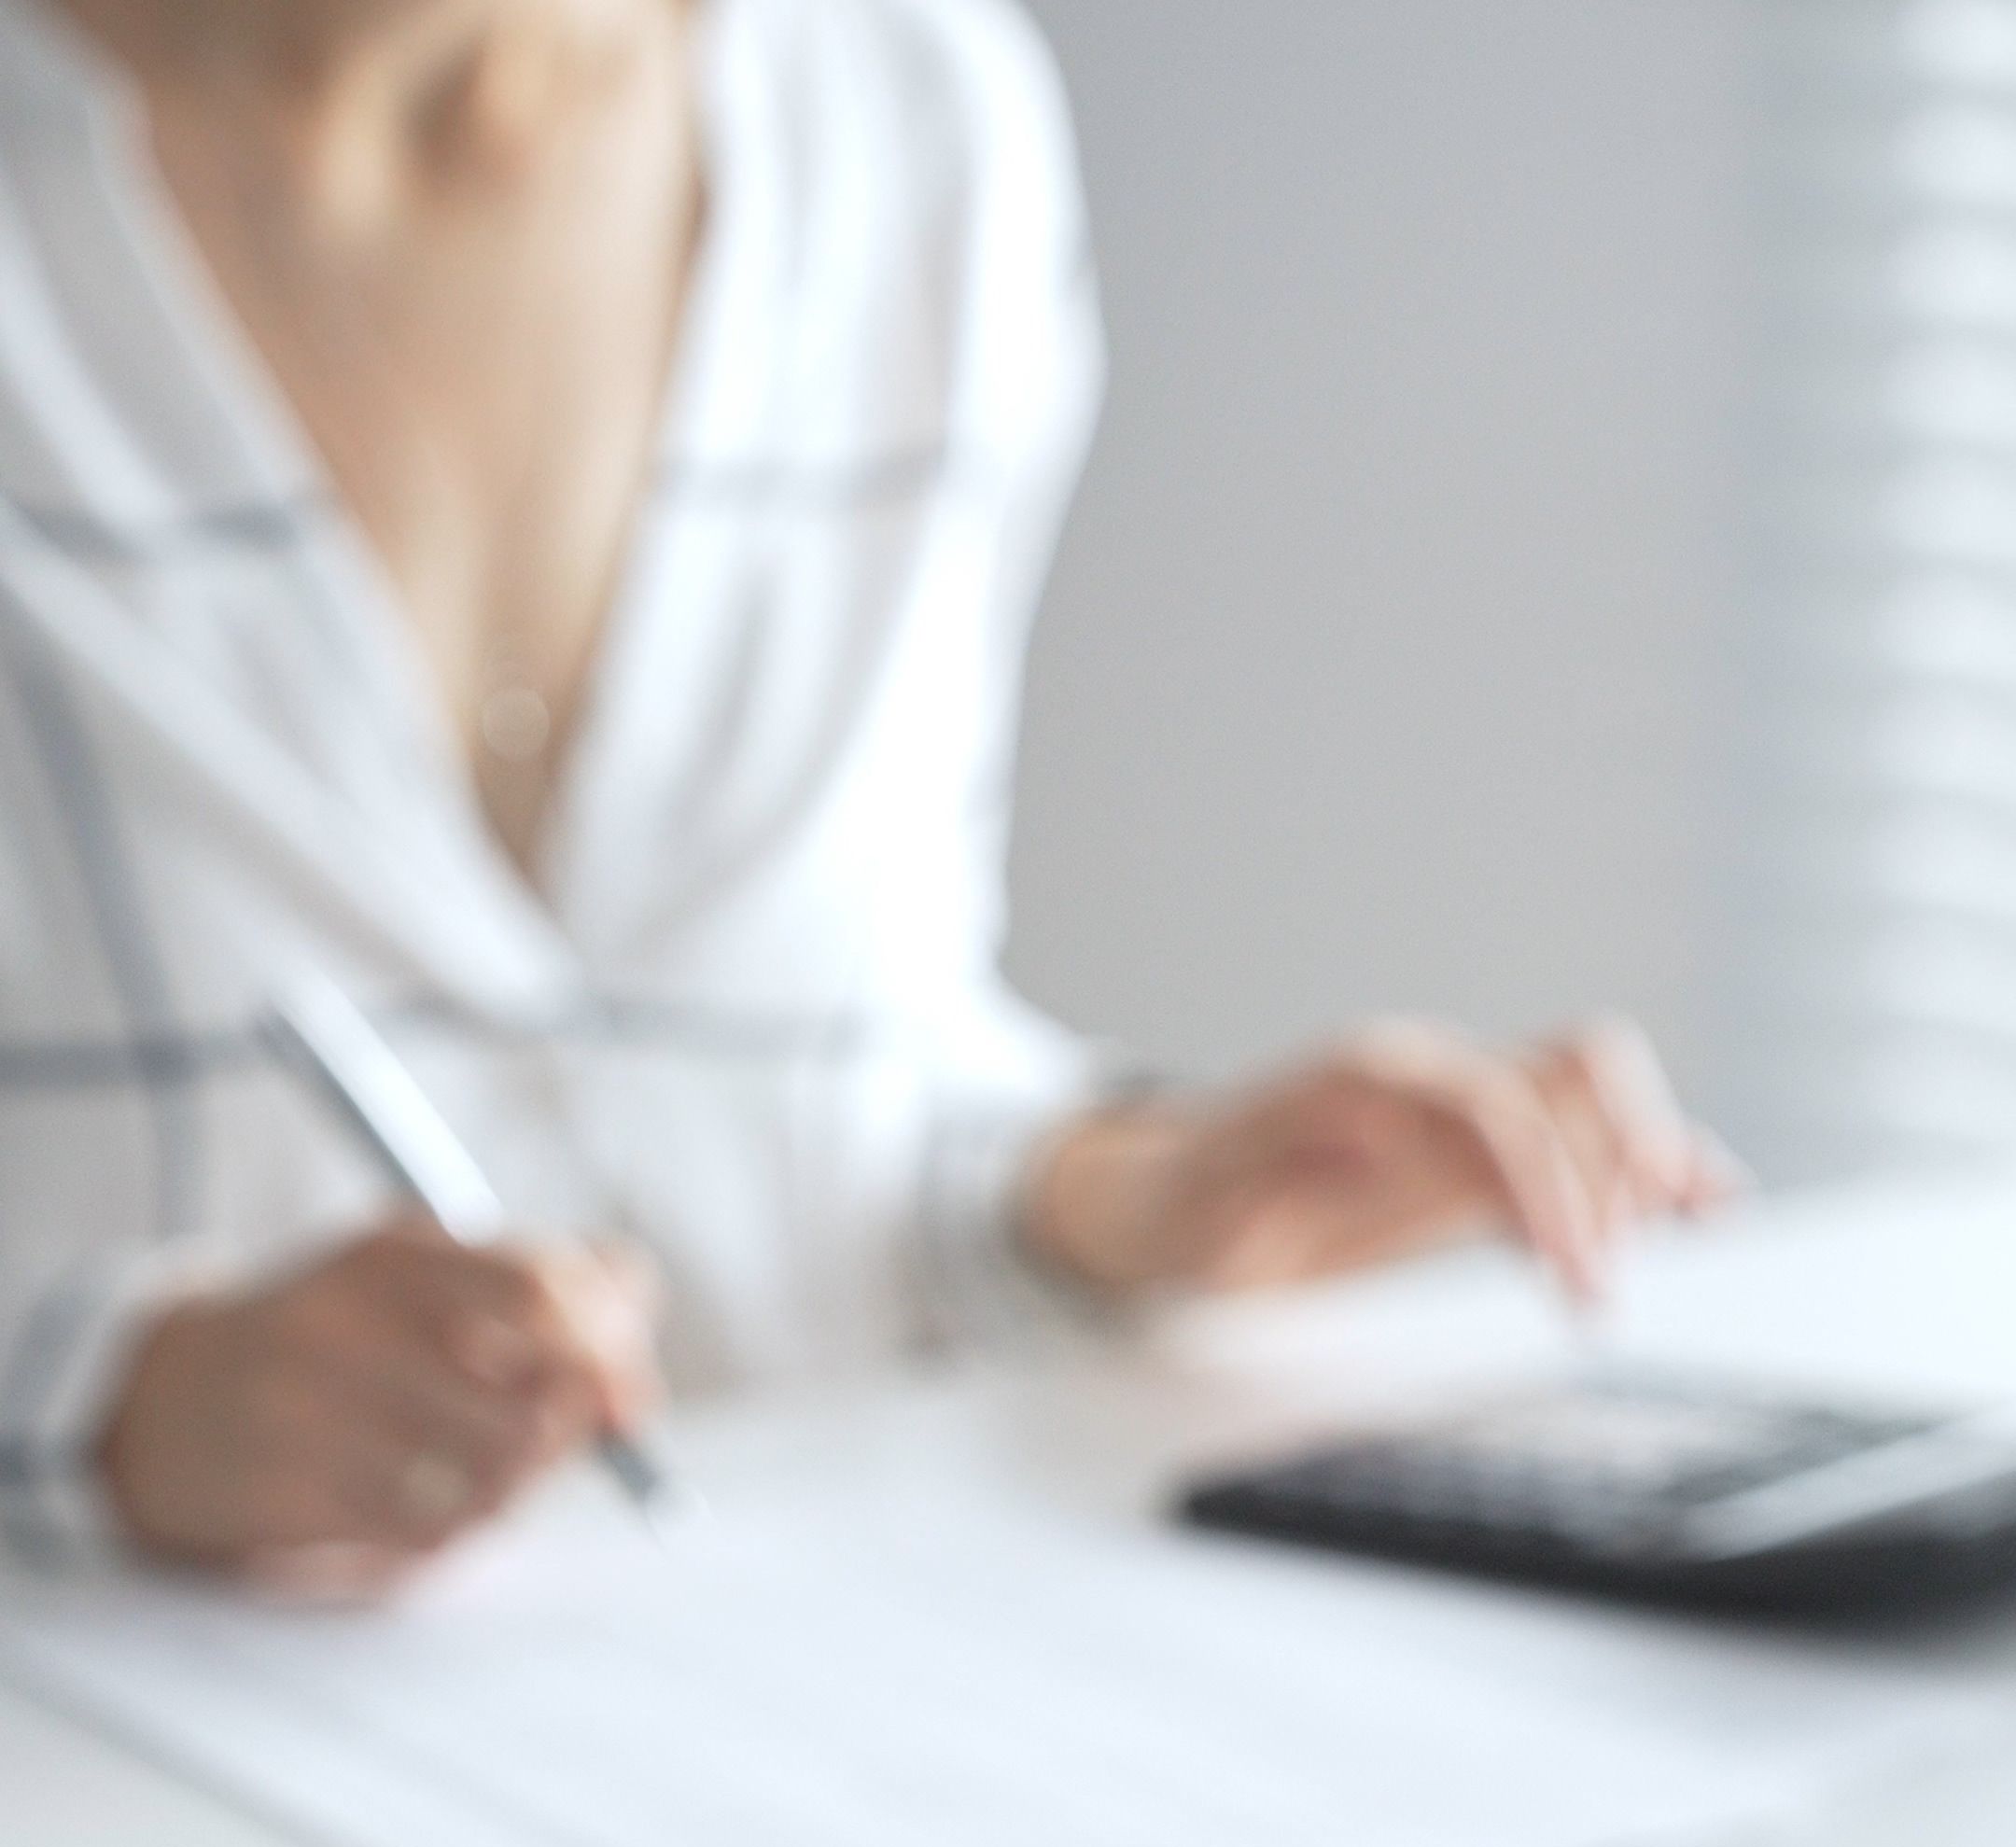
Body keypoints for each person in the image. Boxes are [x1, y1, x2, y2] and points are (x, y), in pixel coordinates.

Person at [0, 0, 1729, 1588]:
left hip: (783, 1708)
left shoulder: (905, 119)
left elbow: (841, 1073)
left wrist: (1110, 1200)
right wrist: (120, 1409)